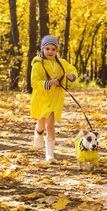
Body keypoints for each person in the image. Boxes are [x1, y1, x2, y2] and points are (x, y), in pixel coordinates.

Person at [30, 35, 78, 163]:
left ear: (56, 50)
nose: (50, 52)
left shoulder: (61, 63)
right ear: (42, 49)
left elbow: (72, 69)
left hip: (55, 99)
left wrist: (72, 76)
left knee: (50, 125)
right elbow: (34, 82)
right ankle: (38, 132)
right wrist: (48, 83)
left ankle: (49, 155)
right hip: (41, 99)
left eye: (53, 49)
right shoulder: (38, 64)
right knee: (41, 124)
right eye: (47, 49)